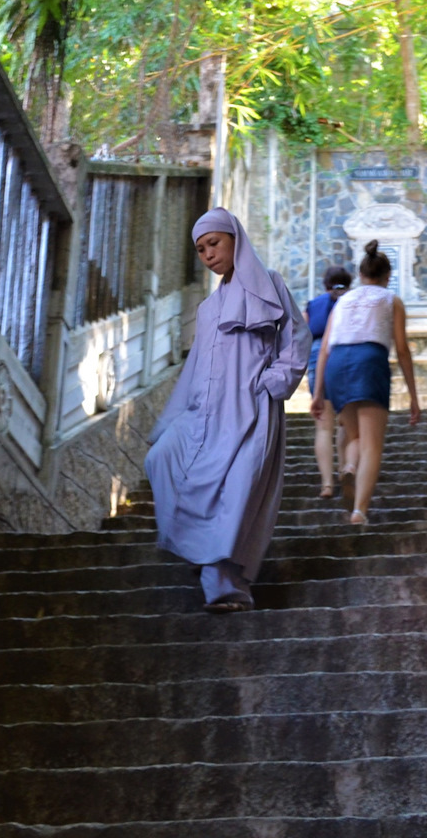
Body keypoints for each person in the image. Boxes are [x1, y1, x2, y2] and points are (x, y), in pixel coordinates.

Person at [144, 207, 307, 611]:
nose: (208, 255)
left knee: (237, 492)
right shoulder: (208, 308)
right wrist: (181, 414)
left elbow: (297, 337)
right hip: (205, 412)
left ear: (235, 238)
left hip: (253, 409)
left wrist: (274, 383)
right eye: (200, 250)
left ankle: (224, 584)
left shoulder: (270, 285)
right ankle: (199, 549)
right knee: (161, 458)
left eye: (214, 243)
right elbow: (197, 364)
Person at [310, 239, 421, 525]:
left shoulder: (342, 301)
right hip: (369, 360)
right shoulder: (390, 300)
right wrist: (413, 396)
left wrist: (318, 392)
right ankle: (359, 511)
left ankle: (348, 465)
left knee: (355, 434)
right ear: (388, 277)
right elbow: (402, 348)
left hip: (337, 364)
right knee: (372, 443)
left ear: (360, 275)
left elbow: (324, 349)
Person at [305, 265, 352, 499]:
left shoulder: (313, 305)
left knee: (324, 427)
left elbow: (303, 335)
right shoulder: (351, 302)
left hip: (316, 360)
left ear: (325, 285)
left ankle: (326, 485)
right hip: (344, 358)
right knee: (344, 423)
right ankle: (346, 471)